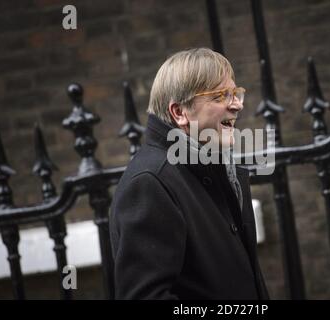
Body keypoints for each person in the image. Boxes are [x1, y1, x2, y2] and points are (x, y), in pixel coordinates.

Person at [109, 48, 269, 300]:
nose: (237, 104)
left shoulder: (212, 166)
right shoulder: (151, 183)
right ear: (180, 112)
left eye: (236, 93)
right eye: (220, 96)